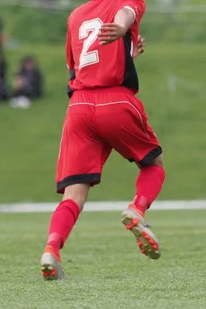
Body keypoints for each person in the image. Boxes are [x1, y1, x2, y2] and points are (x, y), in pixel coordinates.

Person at [39, 0, 164, 281]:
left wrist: (128, 52)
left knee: (74, 194)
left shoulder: (76, 15)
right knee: (154, 164)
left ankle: (51, 249)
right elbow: (125, 14)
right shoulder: (128, 2)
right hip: (116, 100)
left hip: (79, 108)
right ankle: (137, 210)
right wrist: (122, 26)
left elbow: (82, 65)